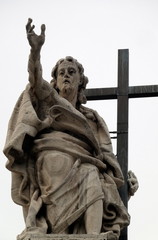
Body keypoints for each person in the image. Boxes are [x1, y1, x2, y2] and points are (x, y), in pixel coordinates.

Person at [3, 19, 138, 239]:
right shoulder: (49, 100)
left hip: (87, 164)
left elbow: (106, 158)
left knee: (92, 173)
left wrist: (124, 189)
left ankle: (93, 235)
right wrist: (35, 52)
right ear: (54, 82)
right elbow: (35, 79)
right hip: (50, 156)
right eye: (62, 72)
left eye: (72, 72)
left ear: (80, 82)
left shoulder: (92, 119)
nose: (66, 75)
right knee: (58, 161)